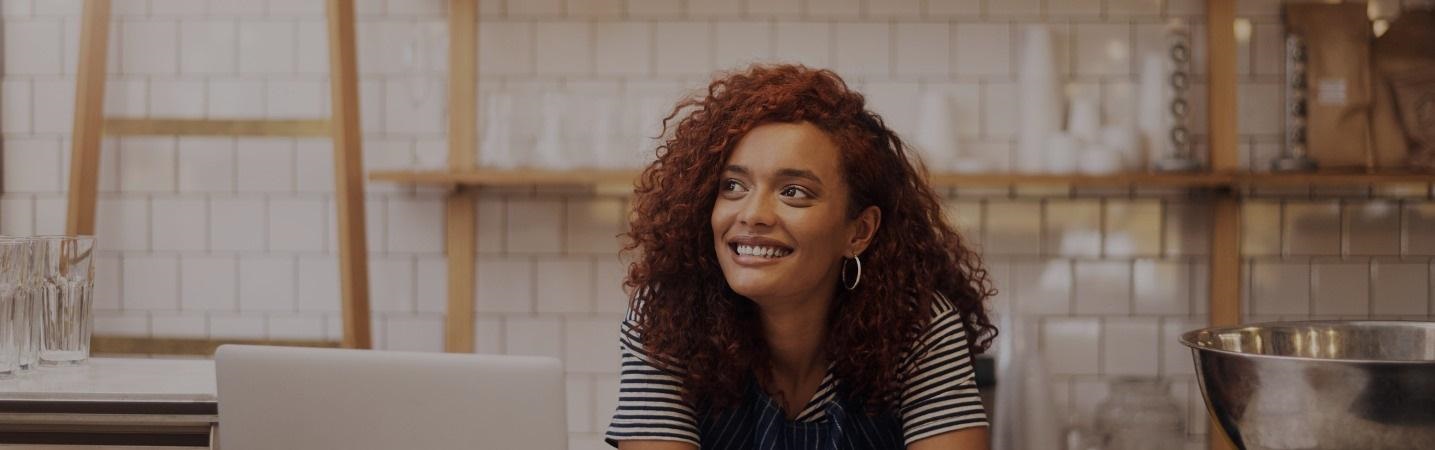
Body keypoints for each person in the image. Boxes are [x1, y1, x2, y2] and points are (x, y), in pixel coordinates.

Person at [606, 64, 996, 450]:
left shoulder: (919, 325)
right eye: (733, 186)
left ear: (858, 232)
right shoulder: (665, 318)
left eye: (793, 191)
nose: (753, 213)